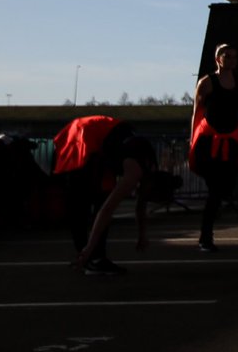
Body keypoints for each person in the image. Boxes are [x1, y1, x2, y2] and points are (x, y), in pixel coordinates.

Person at [53, 115, 159, 276]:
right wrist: (88, 248)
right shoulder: (134, 173)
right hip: (84, 135)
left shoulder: (150, 169)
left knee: (102, 194)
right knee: (80, 198)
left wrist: (142, 236)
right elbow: (107, 210)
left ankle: (96, 257)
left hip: (105, 139)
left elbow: (140, 205)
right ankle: (88, 257)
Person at [189, 43, 238, 252]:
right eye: (227, 56)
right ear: (218, 58)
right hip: (208, 141)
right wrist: (192, 139)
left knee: (225, 187)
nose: (231, 59)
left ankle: (209, 226)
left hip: (230, 141)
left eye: (234, 56)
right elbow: (196, 112)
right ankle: (205, 237)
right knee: (215, 189)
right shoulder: (207, 82)